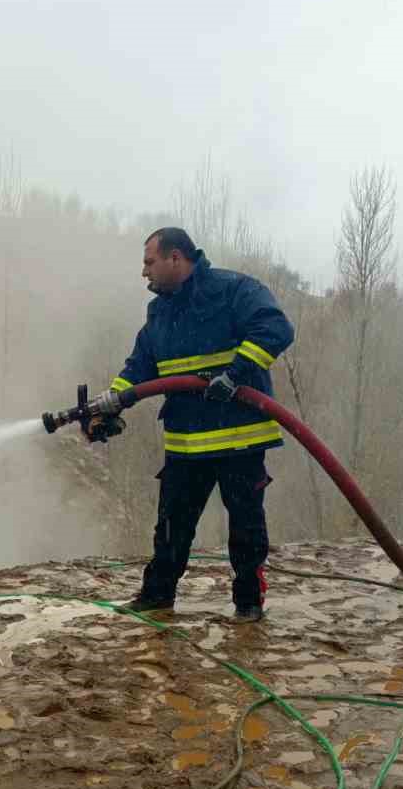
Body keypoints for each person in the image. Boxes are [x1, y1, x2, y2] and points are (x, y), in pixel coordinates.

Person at [84, 227, 295, 622]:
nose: (144, 272)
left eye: (149, 262)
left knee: (246, 527)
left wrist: (235, 374)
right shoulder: (160, 311)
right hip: (185, 442)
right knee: (171, 527)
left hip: (239, 438)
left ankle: (248, 602)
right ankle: (157, 596)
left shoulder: (233, 291)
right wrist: (113, 400)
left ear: (176, 258)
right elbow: (142, 364)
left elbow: (276, 329)